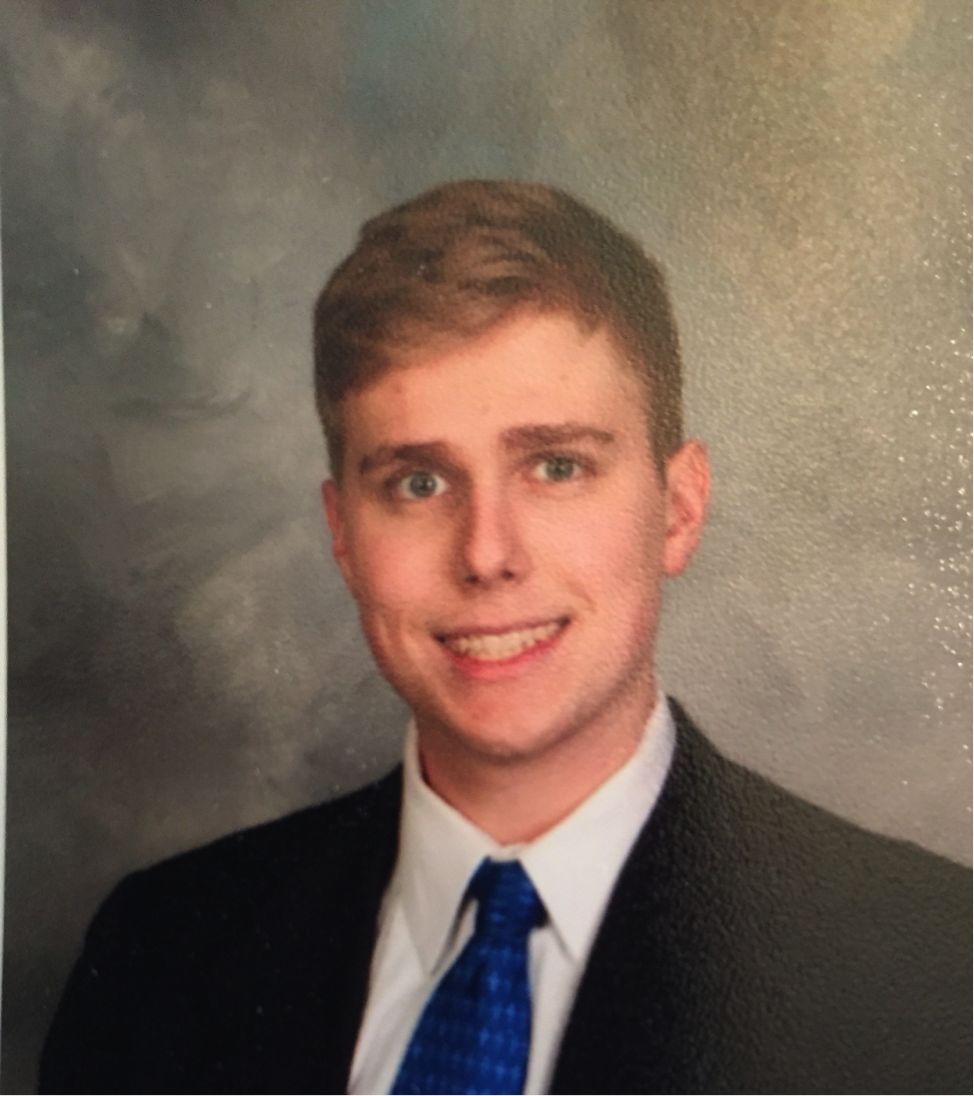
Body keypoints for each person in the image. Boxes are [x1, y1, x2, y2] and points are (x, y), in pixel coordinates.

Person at [39, 181, 971, 1096]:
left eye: (556, 466)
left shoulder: (929, 978)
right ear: (342, 537)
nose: (487, 555)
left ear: (679, 509)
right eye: (417, 483)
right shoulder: (158, 955)